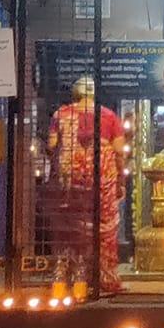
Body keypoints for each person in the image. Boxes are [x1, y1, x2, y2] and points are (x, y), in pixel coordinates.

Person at [46, 77, 126, 295]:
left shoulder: (60, 115)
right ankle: (103, 279)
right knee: (103, 228)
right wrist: (120, 180)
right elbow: (119, 150)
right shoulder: (108, 115)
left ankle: (62, 282)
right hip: (102, 180)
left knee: (70, 229)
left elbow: (51, 144)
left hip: (69, 180)